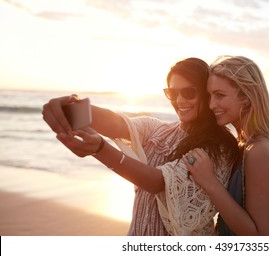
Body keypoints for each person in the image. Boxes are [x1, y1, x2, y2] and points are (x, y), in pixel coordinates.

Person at [42, 57, 238, 236]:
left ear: (205, 93)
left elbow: (158, 183)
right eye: (172, 93)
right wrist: (70, 108)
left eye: (188, 92)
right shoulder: (157, 129)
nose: (179, 101)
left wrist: (99, 149)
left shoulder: (219, 147)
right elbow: (117, 123)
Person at [183, 56, 269, 236]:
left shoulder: (261, 150)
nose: (212, 105)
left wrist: (209, 181)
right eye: (210, 95)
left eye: (220, 95)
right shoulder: (244, 145)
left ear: (246, 97)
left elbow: (257, 235)